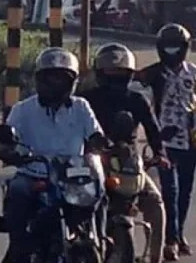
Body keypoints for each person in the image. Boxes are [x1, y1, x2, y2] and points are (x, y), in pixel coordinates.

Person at [0, 47, 104, 263]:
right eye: (50, 78)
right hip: (34, 173)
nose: (55, 83)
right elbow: (7, 139)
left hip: (73, 174)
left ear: (71, 82)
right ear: (40, 80)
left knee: (100, 192)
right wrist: (10, 152)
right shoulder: (22, 109)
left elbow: (95, 134)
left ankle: (99, 237)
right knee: (18, 191)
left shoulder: (81, 107)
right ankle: (20, 247)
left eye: (61, 78)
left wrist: (102, 144)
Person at [79, 42, 167, 263]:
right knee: (74, 200)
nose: (115, 76)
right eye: (111, 72)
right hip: (93, 160)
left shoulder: (137, 99)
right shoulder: (87, 99)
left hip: (127, 161)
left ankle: (155, 257)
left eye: (121, 73)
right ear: (100, 73)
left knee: (156, 204)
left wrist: (160, 153)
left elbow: (152, 128)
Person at [135, 23, 196, 260]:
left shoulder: (192, 73)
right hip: (163, 142)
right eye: (168, 48)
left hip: (190, 141)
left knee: (185, 193)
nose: (172, 52)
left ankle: (179, 235)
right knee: (169, 191)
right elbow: (134, 98)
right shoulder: (151, 74)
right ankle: (169, 240)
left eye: (176, 47)